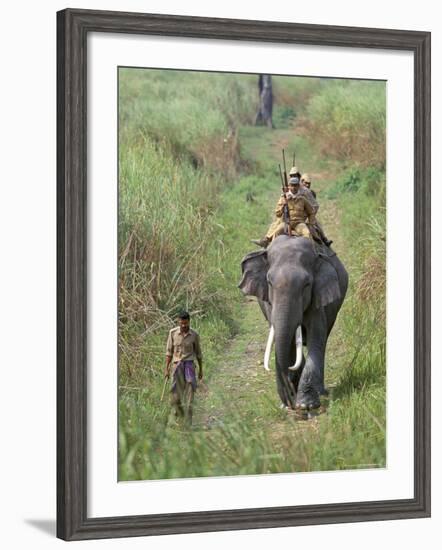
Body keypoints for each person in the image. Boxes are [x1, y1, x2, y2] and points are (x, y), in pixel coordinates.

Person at [252, 177, 316, 247]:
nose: (294, 188)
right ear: (289, 186)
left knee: (307, 234)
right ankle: (268, 250)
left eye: (295, 185)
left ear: (298, 186)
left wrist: (311, 224)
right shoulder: (283, 198)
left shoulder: (302, 199)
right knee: (276, 233)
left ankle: (313, 252)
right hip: (286, 223)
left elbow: (311, 211)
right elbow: (277, 214)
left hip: (299, 223)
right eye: (292, 185)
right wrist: (284, 204)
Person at [165, 311, 203, 424]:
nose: (183, 326)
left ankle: (189, 420)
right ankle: (179, 412)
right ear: (178, 322)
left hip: (189, 365)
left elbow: (199, 353)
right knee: (175, 396)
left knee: (191, 390)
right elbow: (169, 352)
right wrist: (166, 369)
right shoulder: (172, 333)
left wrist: (201, 369)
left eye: (186, 323)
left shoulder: (194, 335)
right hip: (177, 365)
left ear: (189, 322)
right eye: (181, 323)